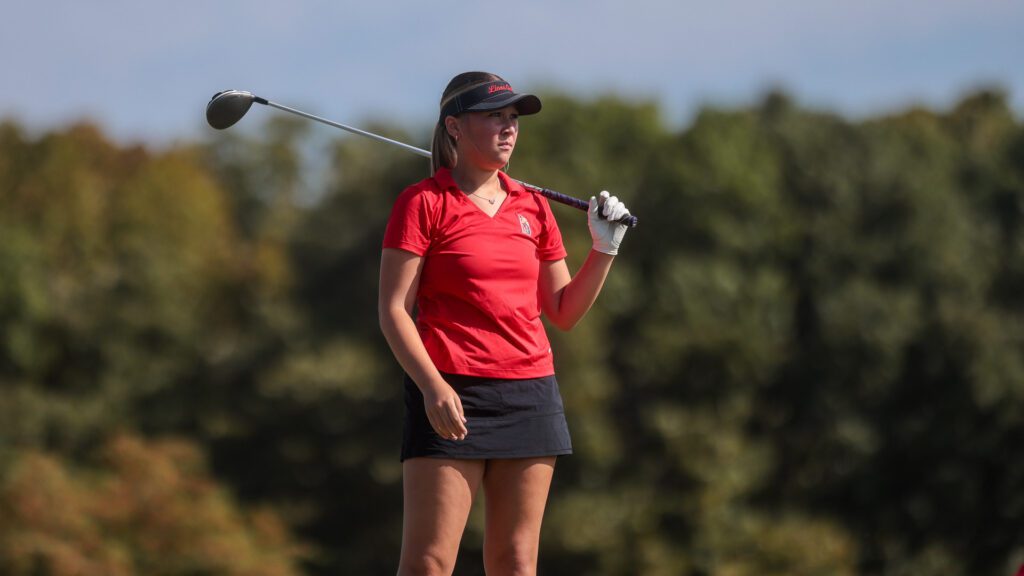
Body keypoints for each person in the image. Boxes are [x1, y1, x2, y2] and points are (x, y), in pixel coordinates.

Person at [378, 71, 631, 576]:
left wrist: (604, 249)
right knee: (429, 562)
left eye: (513, 118)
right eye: (494, 115)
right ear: (454, 127)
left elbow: (561, 311)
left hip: (529, 395)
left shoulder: (533, 207)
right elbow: (392, 311)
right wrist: (431, 387)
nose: (509, 127)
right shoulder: (424, 202)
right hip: (453, 391)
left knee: (515, 562)